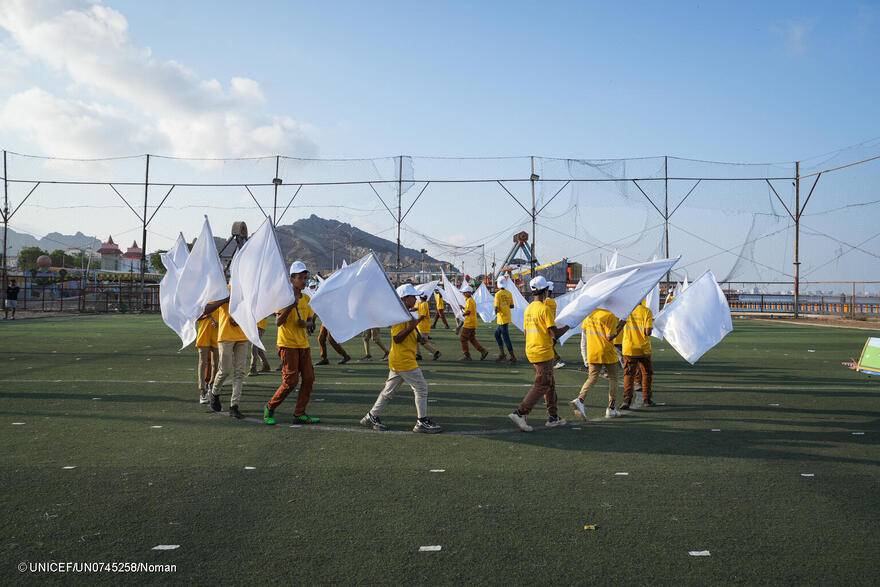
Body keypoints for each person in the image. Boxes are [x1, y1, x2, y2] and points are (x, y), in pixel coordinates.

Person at [360, 283, 443, 434]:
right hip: (404, 360)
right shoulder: (400, 316)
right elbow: (397, 338)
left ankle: (371, 416)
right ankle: (422, 422)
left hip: (400, 358)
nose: (416, 300)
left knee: (388, 391)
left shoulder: (406, 313)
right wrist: (413, 325)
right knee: (421, 388)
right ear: (404, 299)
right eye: (413, 297)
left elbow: (409, 334)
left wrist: (418, 337)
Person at [508, 276, 568, 432]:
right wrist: (569, 325)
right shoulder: (544, 309)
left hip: (532, 349)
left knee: (549, 383)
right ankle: (520, 412)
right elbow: (555, 334)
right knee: (542, 384)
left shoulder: (529, 308)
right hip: (543, 352)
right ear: (546, 290)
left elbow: (526, 332)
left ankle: (553, 416)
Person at [264, 261, 320, 425]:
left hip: (303, 345)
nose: (304, 281)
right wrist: (290, 306)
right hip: (287, 345)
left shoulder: (307, 298)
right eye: (301, 278)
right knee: (290, 382)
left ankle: (300, 412)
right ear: (291, 279)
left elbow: (311, 322)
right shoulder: (284, 298)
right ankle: (270, 407)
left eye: (305, 277)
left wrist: (307, 324)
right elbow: (278, 322)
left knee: (309, 378)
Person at [203, 289, 251, 419]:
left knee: (240, 372)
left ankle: (234, 406)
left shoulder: (247, 287)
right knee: (224, 370)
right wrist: (225, 299)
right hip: (226, 335)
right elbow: (206, 309)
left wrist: (241, 318)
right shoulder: (223, 289)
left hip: (243, 335)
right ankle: (214, 392)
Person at [570, 308, 625, 420]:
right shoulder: (610, 315)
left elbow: (584, 337)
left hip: (592, 351)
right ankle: (611, 408)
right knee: (613, 378)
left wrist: (585, 356)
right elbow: (610, 336)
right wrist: (622, 324)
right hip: (607, 352)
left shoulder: (589, 315)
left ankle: (580, 399)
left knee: (592, 378)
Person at [622, 300, 655, 409]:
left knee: (628, 375)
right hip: (643, 349)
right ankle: (647, 399)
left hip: (629, 348)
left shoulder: (626, 311)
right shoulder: (646, 311)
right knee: (646, 374)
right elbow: (648, 332)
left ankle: (626, 401)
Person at [459, 283, 489, 361]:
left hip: (468, 323)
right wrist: (463, 308)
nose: (464, 294)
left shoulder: (469, 300)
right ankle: (483, 351)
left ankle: (467, 355)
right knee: (472, 339)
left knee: (463, 338)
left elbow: (468, 312)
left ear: (469, 292)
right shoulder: (470, 300)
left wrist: (462, 314)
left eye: (465, 292)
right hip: (472, 322)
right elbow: (469, 310)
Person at [195, 309, 219, 404]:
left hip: (217, 333)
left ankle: (212, 384)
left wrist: (219, 323)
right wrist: (205, 315)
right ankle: (202, 390)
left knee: (216, 363)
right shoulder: (202, 298)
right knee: (202, 362)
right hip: (204, 333)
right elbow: (195, 316)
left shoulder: (221, 297)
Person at [493, 278, 517, 363]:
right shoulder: (509, 293)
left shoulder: (497, 294)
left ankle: (512, 356)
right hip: (507, 317)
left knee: (506, 337)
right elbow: (512, 306)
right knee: (497, 334)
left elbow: (496, 307)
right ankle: (502, 354)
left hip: (501, 318)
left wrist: (495, 312)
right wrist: (505, 305)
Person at [544, 283, 565, 369]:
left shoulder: (546, 301)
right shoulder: (553, 301)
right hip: (552, 324)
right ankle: (554, 360)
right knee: (549, 345)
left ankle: (558, 360)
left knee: (549, 345)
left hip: (548, 326)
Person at [416, 291, 441, 360]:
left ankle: (436, 353)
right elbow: (415, 308)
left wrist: (416, 322)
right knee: (416, 340)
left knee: (423, 342)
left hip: (424, 326)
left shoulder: (424, 304)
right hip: (421, 326)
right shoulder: (420, 303)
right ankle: (418, 354)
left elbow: (423, 316)